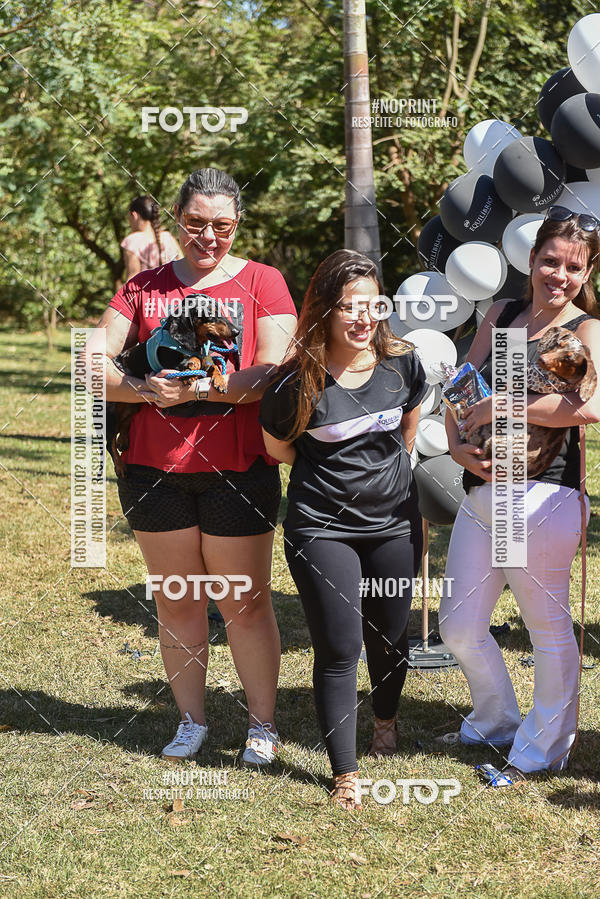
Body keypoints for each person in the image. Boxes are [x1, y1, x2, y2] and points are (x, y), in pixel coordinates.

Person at [86, 168, 297, 765]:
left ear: (238, 224)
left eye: (222, 226)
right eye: (197, 224)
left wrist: (211, 385)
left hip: (238, 465)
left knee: (244, 602)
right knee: (177, 599)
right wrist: (145, 387)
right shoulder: (144, 288)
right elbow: (92, 367)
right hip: (153, 467)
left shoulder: (263, 281)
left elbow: (274, 374)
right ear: (178, 220)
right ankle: (190, 721)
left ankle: (262, 725)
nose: (209, 237)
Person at [259, 249, 427, 809]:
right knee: (339, 645)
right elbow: (280, 451)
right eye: (348, 307)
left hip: (396, 523)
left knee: (390, 636)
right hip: (322, 529)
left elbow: (409, 423)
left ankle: (386, 721)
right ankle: (345, 775)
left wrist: (388, 478)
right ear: (325, 311)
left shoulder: (403, 363)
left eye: (372, 305)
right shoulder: (294, 384)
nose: (363, 318)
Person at [439, 209, 600, 778]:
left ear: (587, 272)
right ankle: (496, 718)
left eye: (574, 266)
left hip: (543, 494)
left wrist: (499, 405)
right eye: (550, 261)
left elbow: (589, 405)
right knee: (457, 624)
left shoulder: (583, 330)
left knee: (548, 631)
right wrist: (458, 444)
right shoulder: (503, 315)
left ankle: (540, 750)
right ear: (530, 260)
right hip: (483, 486)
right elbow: (462, 381)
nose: (560, 274)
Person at [121, 195, 182, 280]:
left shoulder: (132, 241)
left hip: (146, 292)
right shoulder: (168, 237)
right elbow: (183, 267)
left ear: (134, 215)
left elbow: (132, 278)